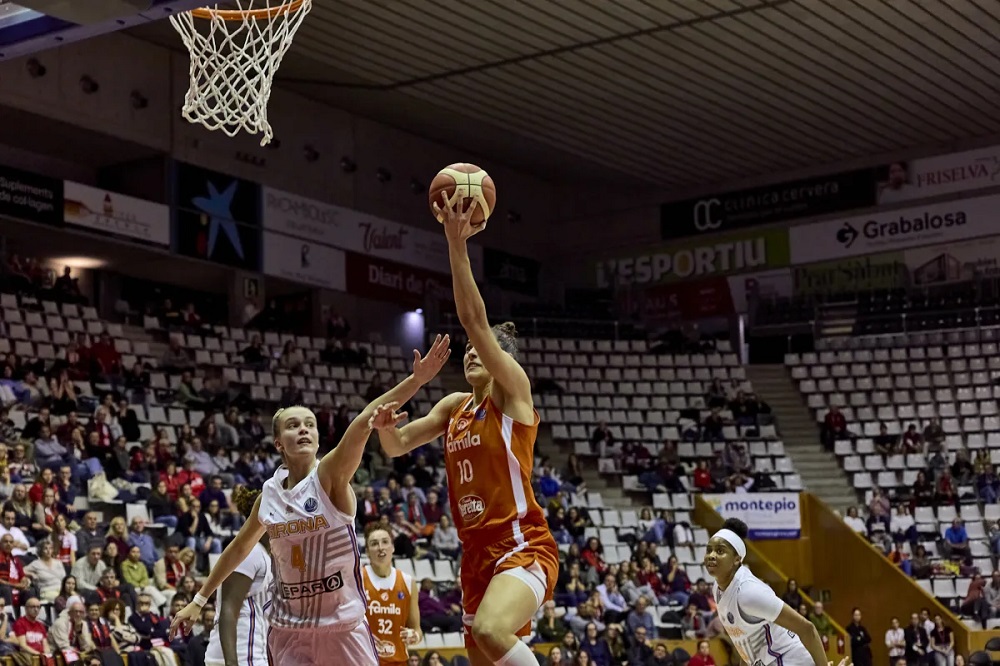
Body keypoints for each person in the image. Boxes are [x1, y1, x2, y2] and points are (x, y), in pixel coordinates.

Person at [171, 334, 453, 666]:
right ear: (279, 443)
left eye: (310, 424)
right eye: (293, 426)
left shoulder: (329, 476)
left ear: (318, 437)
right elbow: (237, 548)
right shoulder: (269, 496)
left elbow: (364, 421)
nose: (304, 429)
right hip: (291, 631)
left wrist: (415, 381)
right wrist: (199, 600)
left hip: (343, 627)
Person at [370, 192, 560, 666]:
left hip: (522, 543)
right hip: (474, 555)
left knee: (494, 630)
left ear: (503, 360)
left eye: (485, 348)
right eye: (472, 349)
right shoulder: (454, 407)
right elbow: (396, 447)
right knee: (483, 656)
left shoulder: (512, 392)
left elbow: (474, 321)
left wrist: (456, 245)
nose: (474, 352)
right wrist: (388, 424)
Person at [705, 517, 837, 666]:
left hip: (788, 658)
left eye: (720, 551)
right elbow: (743, 646)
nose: (711, 555)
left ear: (737, 559)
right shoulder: (717, 588)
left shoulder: (748, 592)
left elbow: (807, 628)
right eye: (709, 550)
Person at [204, 486, 272, 666]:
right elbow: (228, 607)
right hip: (242, 655)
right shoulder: (251, 552)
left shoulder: (263, 553)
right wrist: (232, 662)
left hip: (242, 653)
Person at [361, 525, 421, 665]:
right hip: (365, 661)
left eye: (385, 542)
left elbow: (416, 629)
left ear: (392, 547)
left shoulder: (407, 582)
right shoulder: (358, 579)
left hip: (398, 661)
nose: (381, 547)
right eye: (374, 544)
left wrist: (415, 636)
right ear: (367, 552)